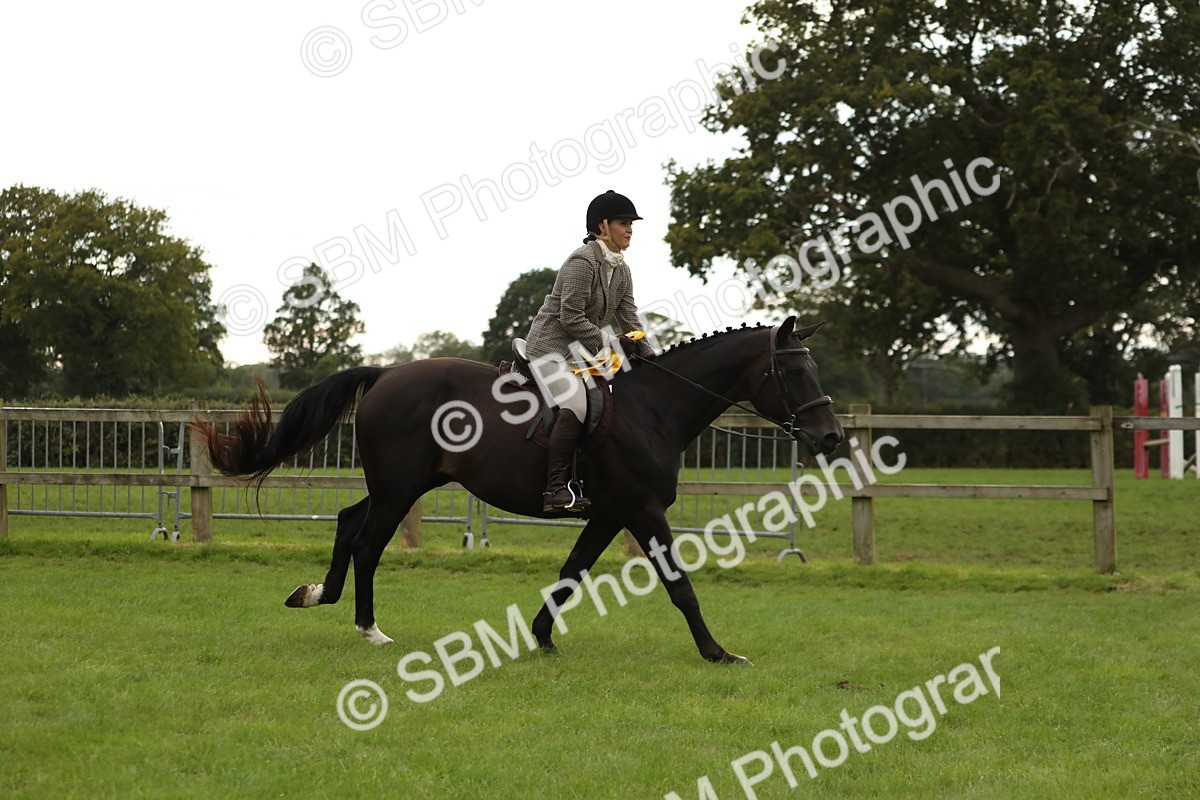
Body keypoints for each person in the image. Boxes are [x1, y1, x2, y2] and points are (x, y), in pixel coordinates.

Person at [524, 190, 655, 513]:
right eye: (624, 223)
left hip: (581, 353)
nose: (630, 230)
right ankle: (555, 490)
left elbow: (630, 319)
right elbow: (570, 318)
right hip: (550, 348)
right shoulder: (582, 262)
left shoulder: (622, 270)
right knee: (578, 404)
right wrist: (612, 344)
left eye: (631, 224)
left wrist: (652, 359)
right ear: (602, 227)